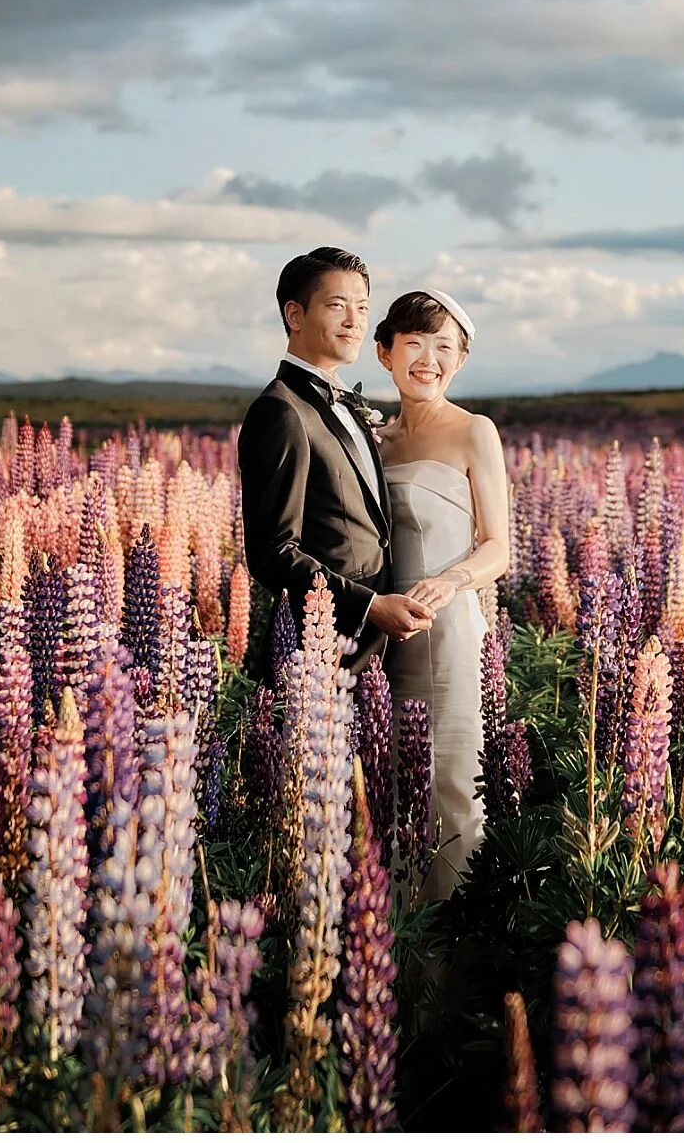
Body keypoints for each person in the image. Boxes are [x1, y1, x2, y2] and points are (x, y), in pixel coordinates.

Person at [237, 247, 434, 677]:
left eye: (362, 307)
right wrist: (369, 605)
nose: (354, 321)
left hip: (379, 653)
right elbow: (272, 553)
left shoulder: (348, 403)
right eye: (337, 305)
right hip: (318, 656)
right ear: (295, 314)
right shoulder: (281, 410)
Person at [372, 288, 510, 901]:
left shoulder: (475, 431)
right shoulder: (373, 439)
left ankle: (452, 935)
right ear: (385, 353)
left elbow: (497, 547)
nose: (428, 360)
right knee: (388, 783)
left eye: (444, 348)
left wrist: (452, 581)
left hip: (449, 631)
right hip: (379, 631)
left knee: (453, 781)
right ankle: (396, 932)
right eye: (414, 344)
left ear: (461, 359)